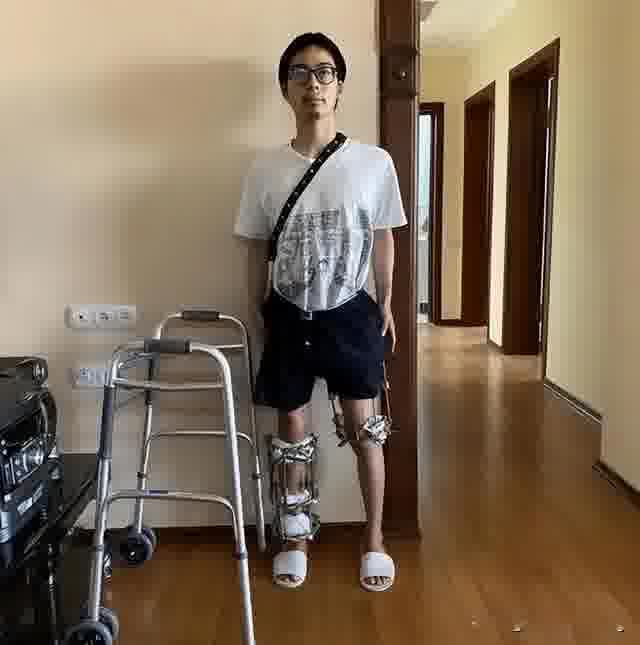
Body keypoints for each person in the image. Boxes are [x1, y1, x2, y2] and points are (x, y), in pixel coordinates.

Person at [234, 32, 406, 592]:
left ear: (340, 85)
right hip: (288, 312)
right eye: (301, 73)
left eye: (325, 72)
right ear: (286, 88)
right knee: (291, 429)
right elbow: (254, 247)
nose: (314, 83)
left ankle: (374, 538)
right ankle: (296, 539)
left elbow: (383, 235)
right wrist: (255, 310)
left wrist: (386, 301)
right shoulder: (264, 168)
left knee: (367, 429)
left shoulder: (373, 162)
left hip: (351, 312)